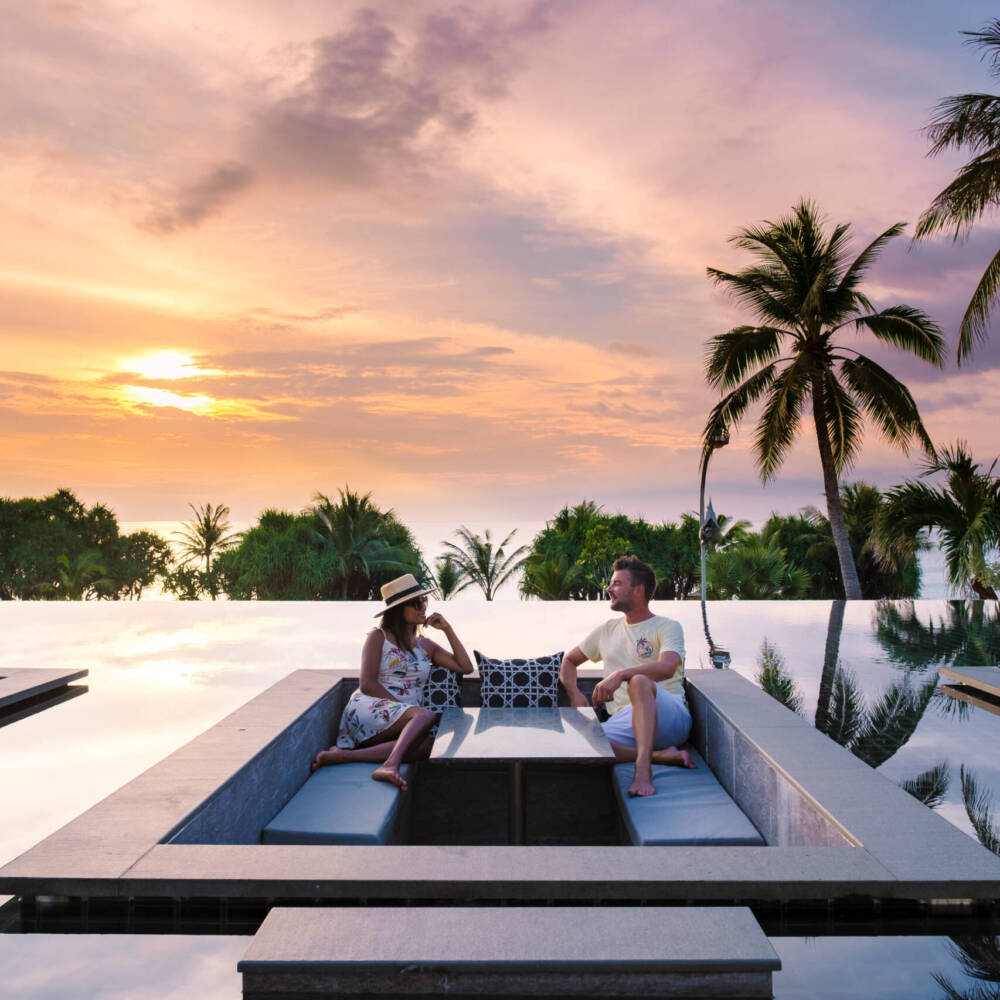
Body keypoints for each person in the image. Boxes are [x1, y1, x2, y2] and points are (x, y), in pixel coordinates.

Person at [311, 573, 474, 790]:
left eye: (423, 601)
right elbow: (367, 684)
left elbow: (466, 667)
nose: (422, 607)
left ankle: (344, 756)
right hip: (370, 706)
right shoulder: (378, 637)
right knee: (426, 715)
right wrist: (403, 712)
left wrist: (447, 629)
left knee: (430, 744)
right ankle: (390, 765)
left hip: (406, 718)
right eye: (416, 603)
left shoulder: (425, 645)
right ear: (398, 609)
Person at [560, 555, 694, 797]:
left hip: (668, 714)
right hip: (625, 720)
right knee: (578, 743)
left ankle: (643, 770)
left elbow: (667, 667)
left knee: (639, 681)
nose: (609, 589)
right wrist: (574, 693)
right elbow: (569, 661)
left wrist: (621, 674)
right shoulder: (607, 630)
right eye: (611, 584)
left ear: (638, 590)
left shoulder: (667, 626)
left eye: (617, 584)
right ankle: (660, 756)